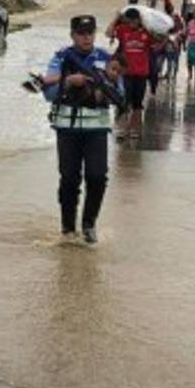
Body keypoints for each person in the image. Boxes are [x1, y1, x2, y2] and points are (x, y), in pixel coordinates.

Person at [38, 14, 124, 246]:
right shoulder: (60, 59)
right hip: (67, 130)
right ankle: (67, 229)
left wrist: (104, 88)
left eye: (90, 33)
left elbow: (120, 95)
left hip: (97, 131)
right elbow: (48, 94)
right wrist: (67, 83)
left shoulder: (107, 59)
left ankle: (89, 225)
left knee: (97, 178)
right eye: (81, 33)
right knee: (69, 180)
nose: (86, 37)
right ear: (72, 35)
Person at [106, 6, 153, 136]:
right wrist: (116, 18)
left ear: (139, 20)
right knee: (123, 102)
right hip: (126, 74)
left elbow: (160, 39)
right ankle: (122, 129)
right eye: (129, 20)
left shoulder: (147, 33)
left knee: (138, 104)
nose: (131, 23)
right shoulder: (123, 30)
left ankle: (135, 130)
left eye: (134, 20)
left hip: (142, 74)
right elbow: (108, 33)